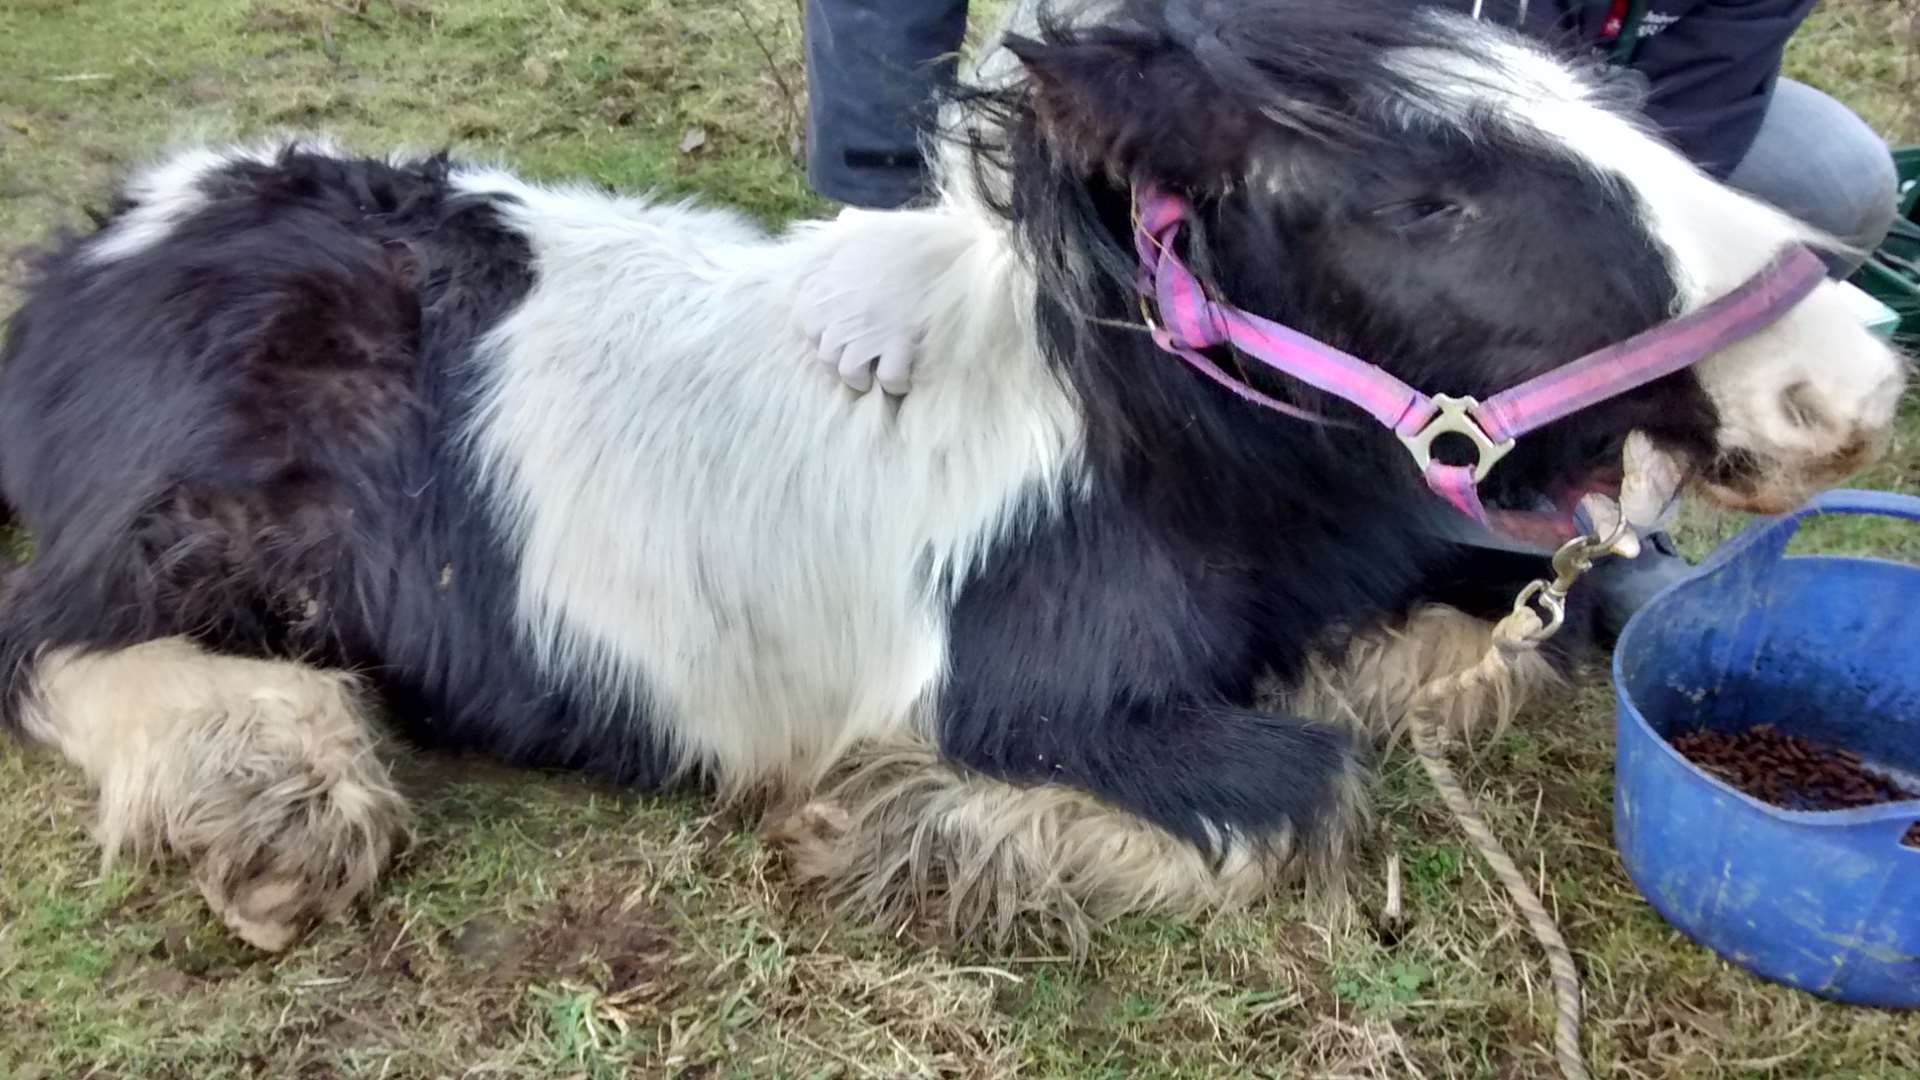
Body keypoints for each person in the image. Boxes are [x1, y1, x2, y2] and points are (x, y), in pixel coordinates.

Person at [797, 0, 1900, 632]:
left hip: (1499, 112)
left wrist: (1666, 353)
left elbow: (1675, 126)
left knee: (1827, 171)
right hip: (1203, 47)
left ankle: (1550, 473)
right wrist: (886, 194)